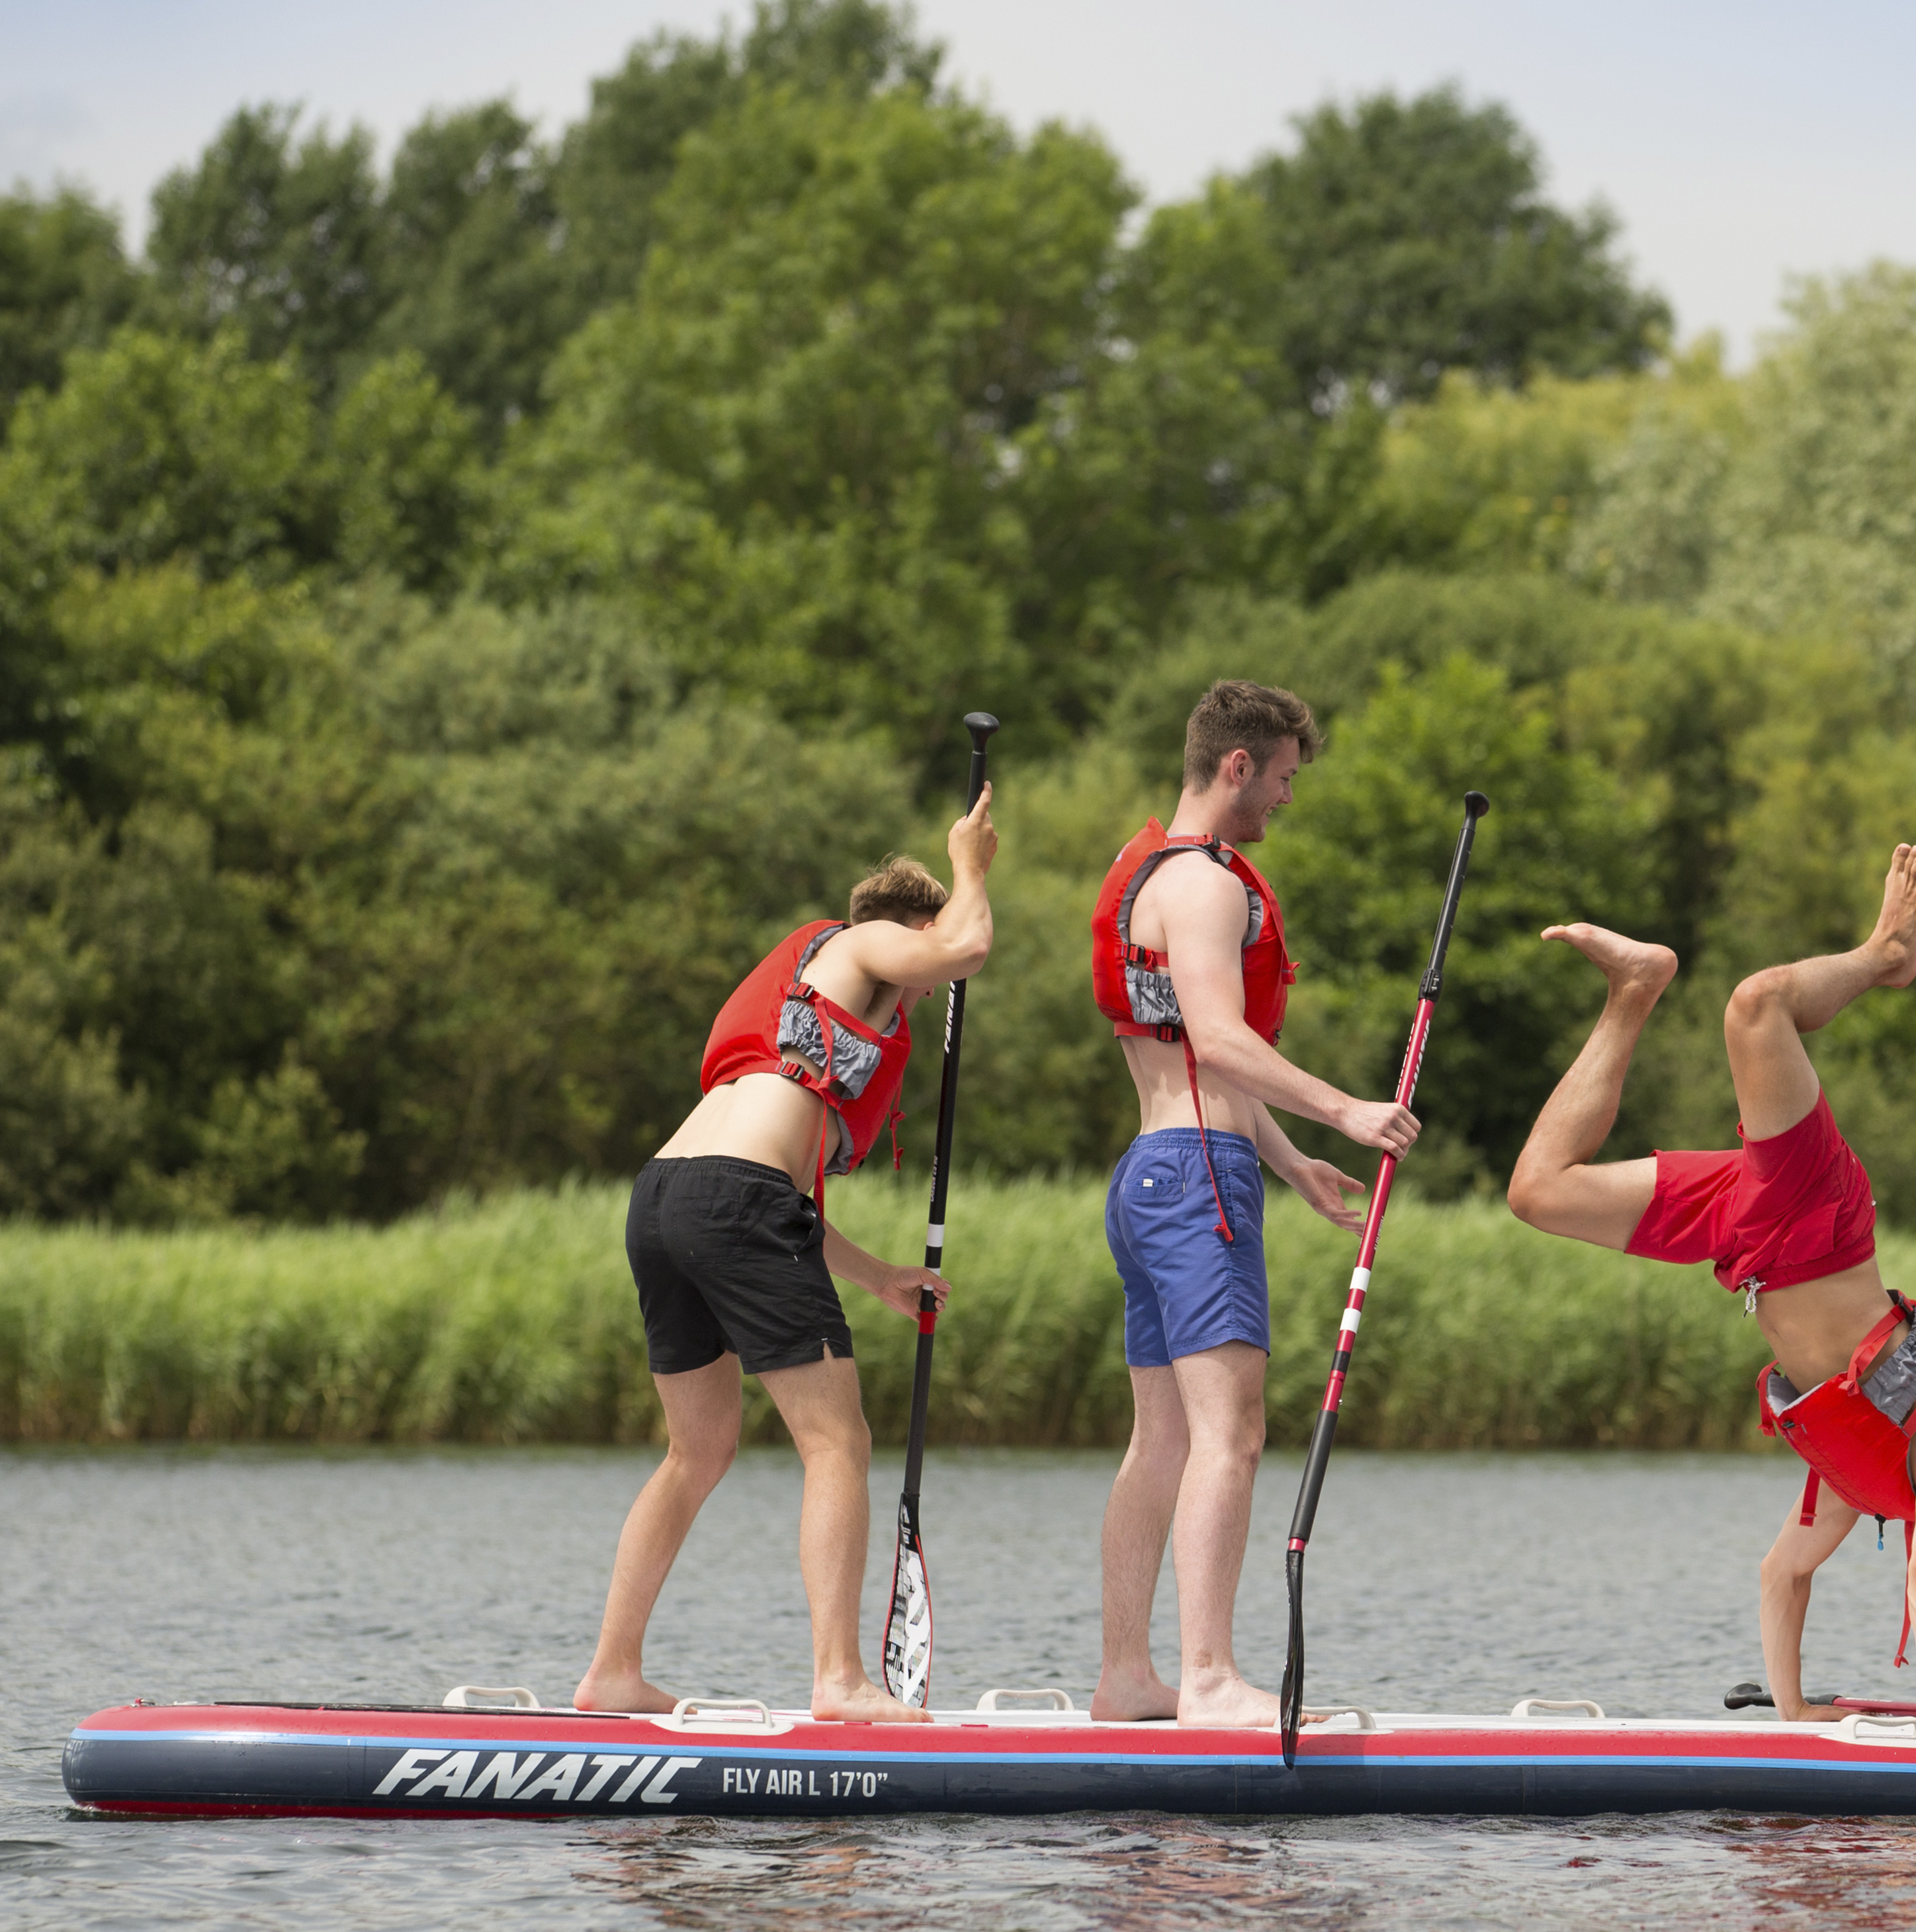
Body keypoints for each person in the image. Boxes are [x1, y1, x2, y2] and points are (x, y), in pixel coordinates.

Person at [1504, 844, 1916, 1734]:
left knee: (1537, 1190)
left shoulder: (1874, 1473)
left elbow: (1785, 1572)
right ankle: (1887, 956)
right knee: (1757, 1004)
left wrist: (1792, 1710)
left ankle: (1635, 989)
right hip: (1817, 1221)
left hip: (1749, 1241)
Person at [574, 785, 998, 1724]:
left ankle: (612, 1672)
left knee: (699, 1450)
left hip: (666, 1196)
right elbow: (964, 946)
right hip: (729, 1196)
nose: (928, 991)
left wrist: (879, 1273)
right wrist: (970, 863)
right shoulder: (866, 941)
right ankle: (840, 1679)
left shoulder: (813, 1020)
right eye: (921, 964)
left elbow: (784, 1201)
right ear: (910, 922)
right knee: (837, 1441)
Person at [1090, 681, 1419, 1727]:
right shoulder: (1208, 887)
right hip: (1196, 1187)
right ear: (1236, 765)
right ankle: (1209, 1679)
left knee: (1163, 1442)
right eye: (1279, 779)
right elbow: (1223, 1040)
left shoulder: (1147, 876)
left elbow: (1191, 1061)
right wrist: (1345, 1111)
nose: (1282, 799)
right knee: (1229, 1437)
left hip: (1151, 1173)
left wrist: (1289, 1160)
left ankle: (1126, 1676)